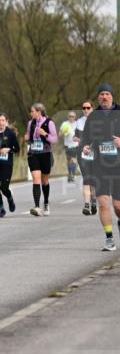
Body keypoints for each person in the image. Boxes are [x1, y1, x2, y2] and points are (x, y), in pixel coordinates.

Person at [78, 84, 120, 251]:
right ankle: (109, 239)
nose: (104, 97)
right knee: (103, 203)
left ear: (112, 96)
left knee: (117, 206)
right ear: (98, 98)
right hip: (100, 166)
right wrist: (85, 147)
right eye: (101, 94)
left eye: (107, 94)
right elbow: (86, 138)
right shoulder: (93, 117)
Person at [24, 103, 57, 216]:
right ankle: (37, 206)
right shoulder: (30, 123)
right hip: (33, 153)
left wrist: (45, 134)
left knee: (45, 181)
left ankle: (46, 203)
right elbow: (28, 136)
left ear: (39, 111)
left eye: (32, 111)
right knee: (36, 178)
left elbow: (54, 139)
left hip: (45, 154)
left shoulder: (49, 122)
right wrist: (26, 137)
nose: (31, 113)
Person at [76, 101, 98, 215]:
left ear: (93, 108)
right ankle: (86, 205)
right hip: (82, 152)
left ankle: (94, 201)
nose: (86, 110)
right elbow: (77, 135)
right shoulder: (79, 122)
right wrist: (77, 139)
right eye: (84, 108)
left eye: (88, 107)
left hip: (95, 152)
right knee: (86, 178)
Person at [60, 111, 80, 183]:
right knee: (69, 161)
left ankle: (73, 175)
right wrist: (64, 132)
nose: (71, 118)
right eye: (70, 116)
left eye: (73, 116)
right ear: (68, 117)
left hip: (75, 145)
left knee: (73, 159)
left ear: (75, 117)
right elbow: (60, 134)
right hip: (67, 145)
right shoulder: (65, 124)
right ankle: (70, 174)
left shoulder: (78, 124)